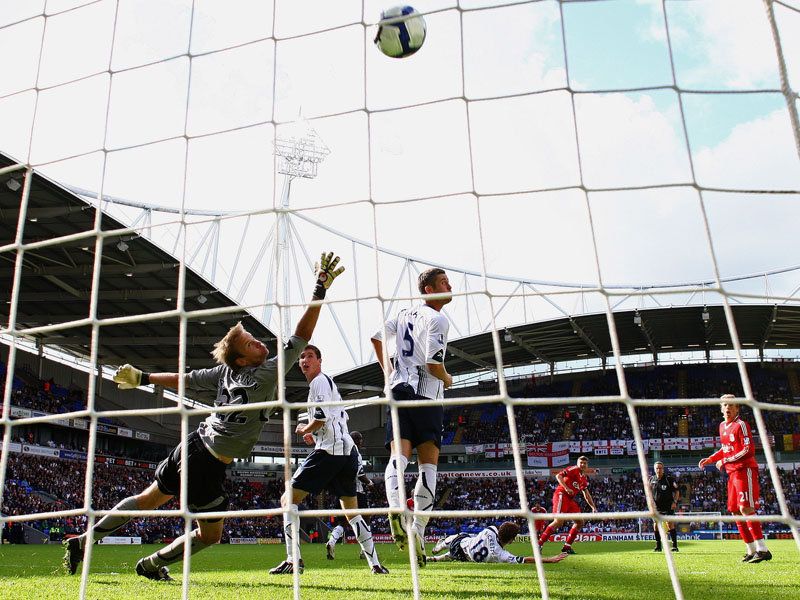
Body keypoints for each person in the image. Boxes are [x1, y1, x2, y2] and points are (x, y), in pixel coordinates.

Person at [62, 252, 345, 581]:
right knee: (210, 535)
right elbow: (302, 334)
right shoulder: (267, 373)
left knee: (147, 499)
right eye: (251, 344)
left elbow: (184, 379)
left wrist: (144, 378)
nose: (258, 343)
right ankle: (150, 565)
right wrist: (320, 289)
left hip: (193, 445)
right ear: (242, 360)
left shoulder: (223, 373)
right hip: (207, 464)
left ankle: (84, 541)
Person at [269, 345, 389, 575]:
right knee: (352, 513)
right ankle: (375, 564)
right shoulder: (325, 384)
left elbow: (322, 417)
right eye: (302, 357)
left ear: (320, 361)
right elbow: (334, 419)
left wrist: (305, 428)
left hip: (330, 452)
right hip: (346, 453)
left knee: (287, 500)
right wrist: (313, 435)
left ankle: (293, 560)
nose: (304, 360)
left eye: (310, 356)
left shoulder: (319, 382)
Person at [371, 267, 452, 567]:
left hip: (397, 392)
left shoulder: (403, 313)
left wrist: (388, 374)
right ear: (429, 290)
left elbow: (376, 338)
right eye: (443, 282)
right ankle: (417, 529)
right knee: (428, 465)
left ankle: (395, 507)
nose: (450, 285)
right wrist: (449, 379)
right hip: (427, 397)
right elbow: (434, 366)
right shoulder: (438, 319)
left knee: (398, 456)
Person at [698, 395, 771, 563]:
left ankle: (762, 549)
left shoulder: (741, 425)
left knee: (746, 508)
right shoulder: (722, 426)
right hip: (732, 473)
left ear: (737, 408)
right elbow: (726, 449)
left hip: (745, 470)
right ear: (721, 408)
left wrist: (726, 460)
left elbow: (748, 450)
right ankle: (751, 550)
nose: (728, 408)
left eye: (731, 405)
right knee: (735, 511)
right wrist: (711, 459)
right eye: (725, 405)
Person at [429, 522, 568, 565]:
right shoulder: (501, 555)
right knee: (453, 553)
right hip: (465, 557)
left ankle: (439, 547)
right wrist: (550, 559)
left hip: (461, 544)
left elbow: (499, 530)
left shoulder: (490, 529)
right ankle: (437, 555)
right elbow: (525, 559)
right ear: (511, 540)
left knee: (461, 536)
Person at [537, 456, 597, 555]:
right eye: (581, 462)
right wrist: (566, 488)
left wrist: (593, 507)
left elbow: (586, 494)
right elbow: (558, 476)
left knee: (580, 522)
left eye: (584, 463)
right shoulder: (574, 469)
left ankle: (567, 547)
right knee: (558, 521)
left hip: (570, 500)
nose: (582, 464)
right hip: (561, 494)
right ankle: (539, 544)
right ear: (577, 463)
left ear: (587, 465)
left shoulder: (583, 478)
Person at [649, 461, 680, 552]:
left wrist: (674, 502)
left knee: (670, 524)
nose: (658, 470)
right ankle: (658, 546)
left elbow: (677, 491)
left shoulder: (669, 479)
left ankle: (674, 546)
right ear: (654, 469)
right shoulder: (651, 479)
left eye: (660, 468)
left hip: (668, 506)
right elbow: (649, 493)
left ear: (663, 469)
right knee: (656, 526)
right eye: (657, 468)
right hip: (656, 507)